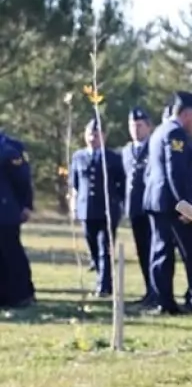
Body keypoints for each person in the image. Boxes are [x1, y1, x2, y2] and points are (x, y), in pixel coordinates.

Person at [143, 90, 192, 315]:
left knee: (161, 251)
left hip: (156, 201)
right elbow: (175, 172)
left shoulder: (159, 131)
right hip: (173, 205)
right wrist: (186, 206)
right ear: (185, 114)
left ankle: (163, 300)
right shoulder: (176, 133)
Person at [69, 119, 126, 297]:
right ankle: (100, 273)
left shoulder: (113, 158)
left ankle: (104, 286)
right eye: (90, 134)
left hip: (107, 210)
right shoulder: (78, 157)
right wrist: (74, 205)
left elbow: (121, 183)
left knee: (105, 248)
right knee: (92, 247)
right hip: (86, 209)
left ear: (104, 136)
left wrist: (119, 203)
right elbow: (75, 184)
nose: (92, 138)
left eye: (96, 134)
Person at [121, 107, 158, 307]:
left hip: (150, 206)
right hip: (134, 208)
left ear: (148, 127)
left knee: (154, 250)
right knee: (142, 251)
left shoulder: (154, 146)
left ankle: (157, 290)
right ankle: (148, 290)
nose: (135, 129)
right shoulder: (126, 151)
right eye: (132, 125)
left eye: (139, 125)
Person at [0, 129, 35, 308]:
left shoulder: (9, 148)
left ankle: (23, 294)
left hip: (5, 211)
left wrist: (27, 205)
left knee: (11, 253)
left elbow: (23, 180)